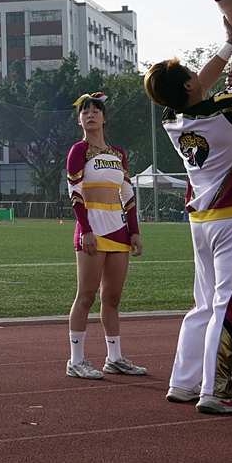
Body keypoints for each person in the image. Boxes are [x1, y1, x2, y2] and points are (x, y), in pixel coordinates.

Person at [146, 40, 232, 414]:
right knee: (230, 303)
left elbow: (202, 81)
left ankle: (184, 381)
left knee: (204, 304)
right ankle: (217, 389)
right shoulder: (220, 111)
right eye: (191, 73)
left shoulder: (173, 117)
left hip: (202, 220)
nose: (198, 76)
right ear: (187, 84)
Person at [63, 93, 146, 379]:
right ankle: (76, 360)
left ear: (104, 117)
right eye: (85, 111)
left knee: (112, 298)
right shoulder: (78, 150)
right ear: (79, 120)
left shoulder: (118, 153)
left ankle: (115, 358)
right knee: (85, 296)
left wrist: (134, 232)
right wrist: (85, 230)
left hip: (119, 232)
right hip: (92, 232)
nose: (90, 114)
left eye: (95, 110)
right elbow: (74, 192)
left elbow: (128, 195)